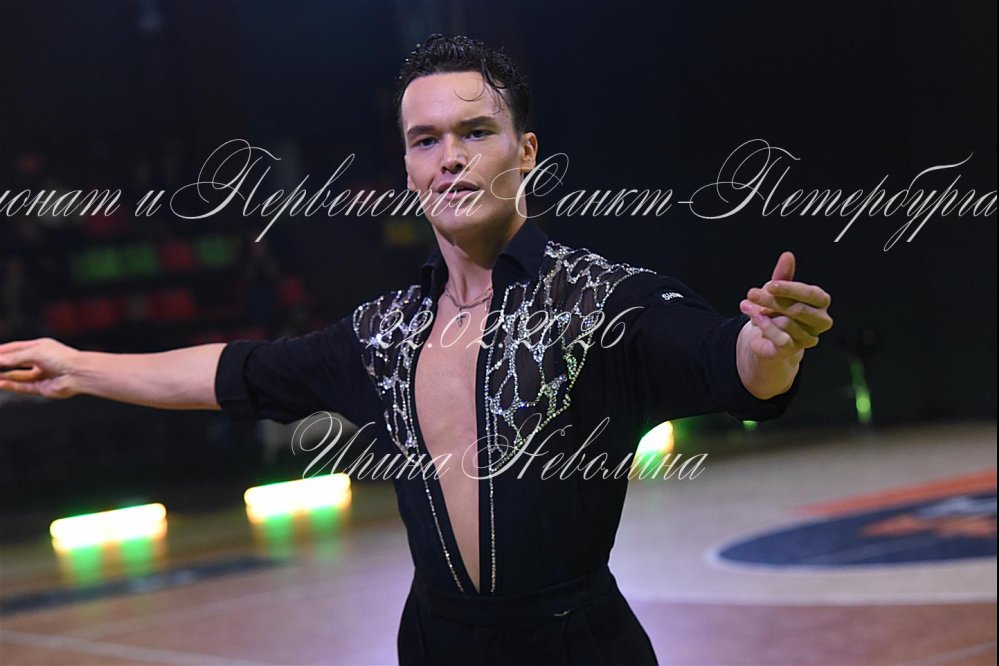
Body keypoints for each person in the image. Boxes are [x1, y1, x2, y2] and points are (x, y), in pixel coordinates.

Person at [0, 34, 833, 665]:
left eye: (475, 132)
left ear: (525, 153)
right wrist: (78, 366)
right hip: (434, 644)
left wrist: (770, 345)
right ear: (405, 166)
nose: (451, 158)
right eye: (426, 139)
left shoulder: (601, 301)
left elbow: (728, 363)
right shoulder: (382, 332)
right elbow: (234, 371)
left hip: (576, 644)